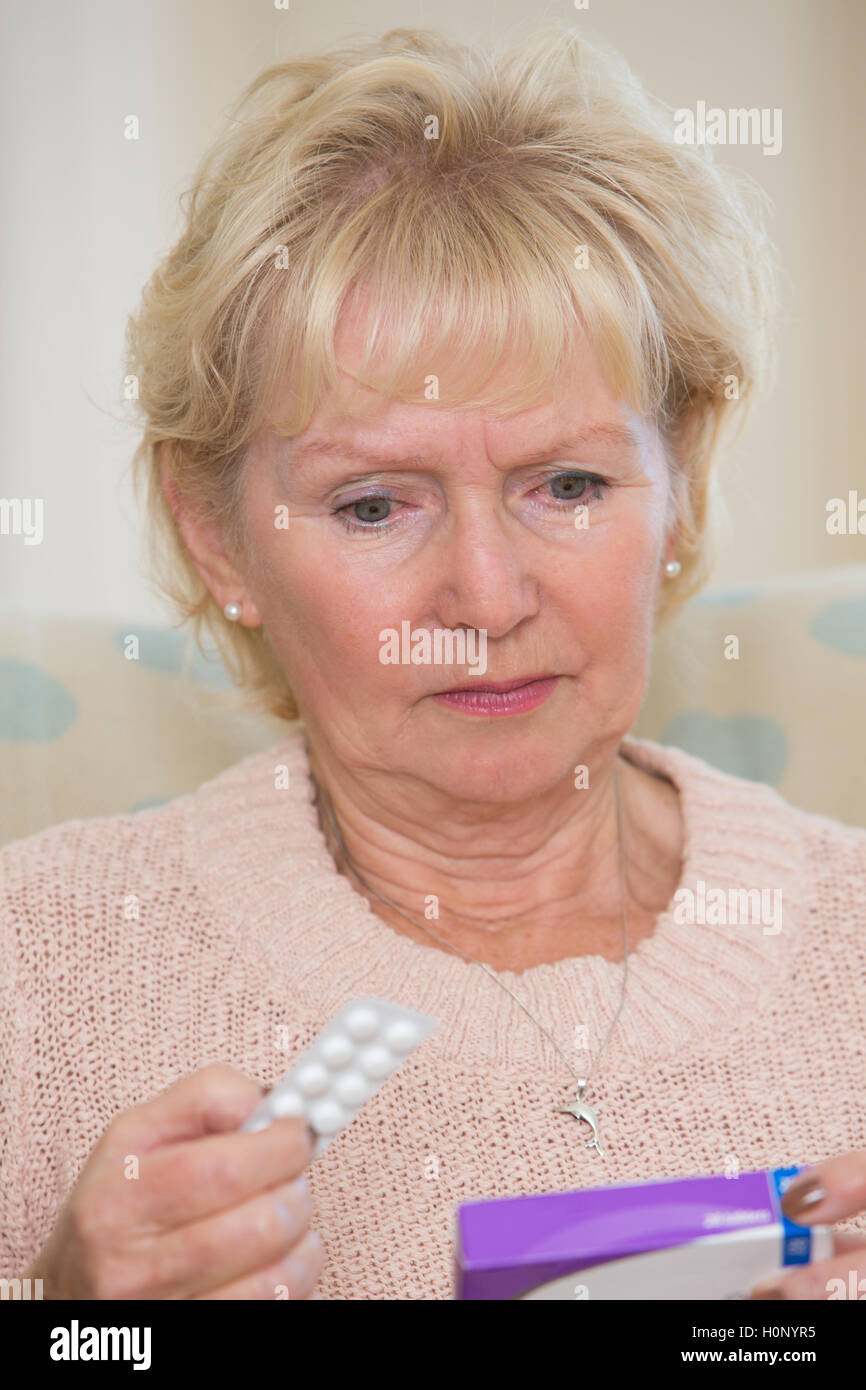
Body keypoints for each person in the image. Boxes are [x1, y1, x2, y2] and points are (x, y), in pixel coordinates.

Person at [2, 25, 865, 1302]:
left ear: (676, 488)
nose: (486, 594)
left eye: (565, 483)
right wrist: (76, 1326)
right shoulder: (36, 968)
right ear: (215, 532)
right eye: (372, 505)